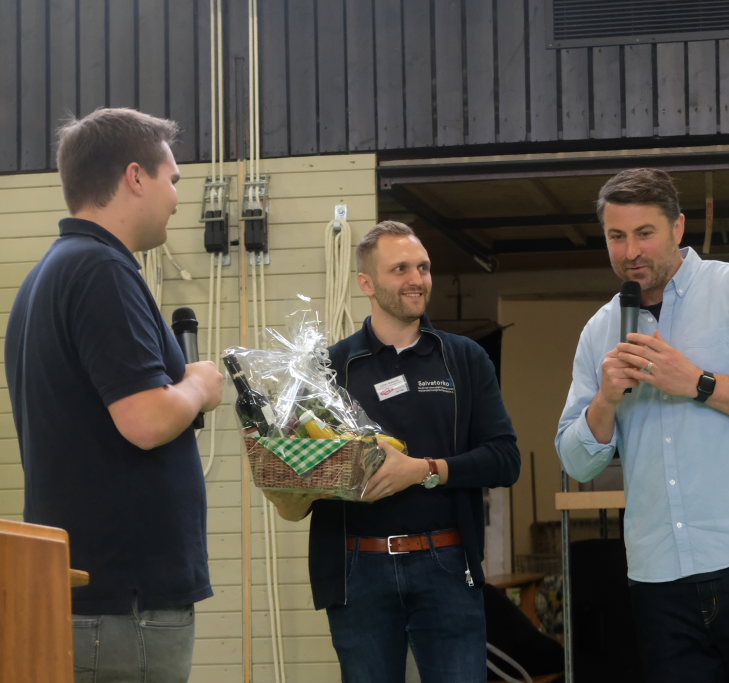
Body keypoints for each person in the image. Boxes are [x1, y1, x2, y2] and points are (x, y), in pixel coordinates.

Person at [555, 168, 729, 682]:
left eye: (645, 233)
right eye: (616, 236)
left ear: (678, 227)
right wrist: (605, 401)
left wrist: (699, 382)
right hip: (659, 580)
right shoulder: (599, 331)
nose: (630, 251)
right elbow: (576, 461)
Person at [5, 108, 225, 683]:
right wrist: (198, 386)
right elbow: (145, 420)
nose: (177, 198)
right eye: (172, 179)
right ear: (134, 177)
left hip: (96, 599)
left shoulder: (50, 274)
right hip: (126, 608)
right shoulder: (102, 269)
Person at [266, 220, 520, 683]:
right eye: (400, 269)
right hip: (356, 571)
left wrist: (424, 470)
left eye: (423, 267)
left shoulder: (463, 358)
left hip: (447, 565)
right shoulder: (328, 369)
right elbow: (297, 476)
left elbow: (505, 459)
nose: (417, 279)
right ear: (366, 283)